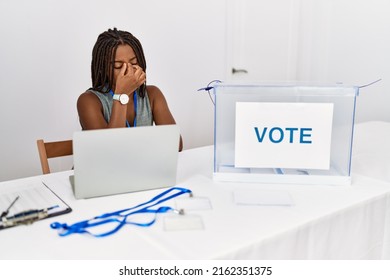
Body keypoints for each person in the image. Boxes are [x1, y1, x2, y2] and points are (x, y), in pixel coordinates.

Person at [77, 28, 183, 151]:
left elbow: (176, 145)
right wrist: (122, 94)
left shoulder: (153, 95)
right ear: (103, 68)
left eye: (133, 63)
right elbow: (108, 152)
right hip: (101, 170)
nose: (128, 70)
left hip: (139, 168)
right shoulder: (88, 101)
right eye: (118, 66)